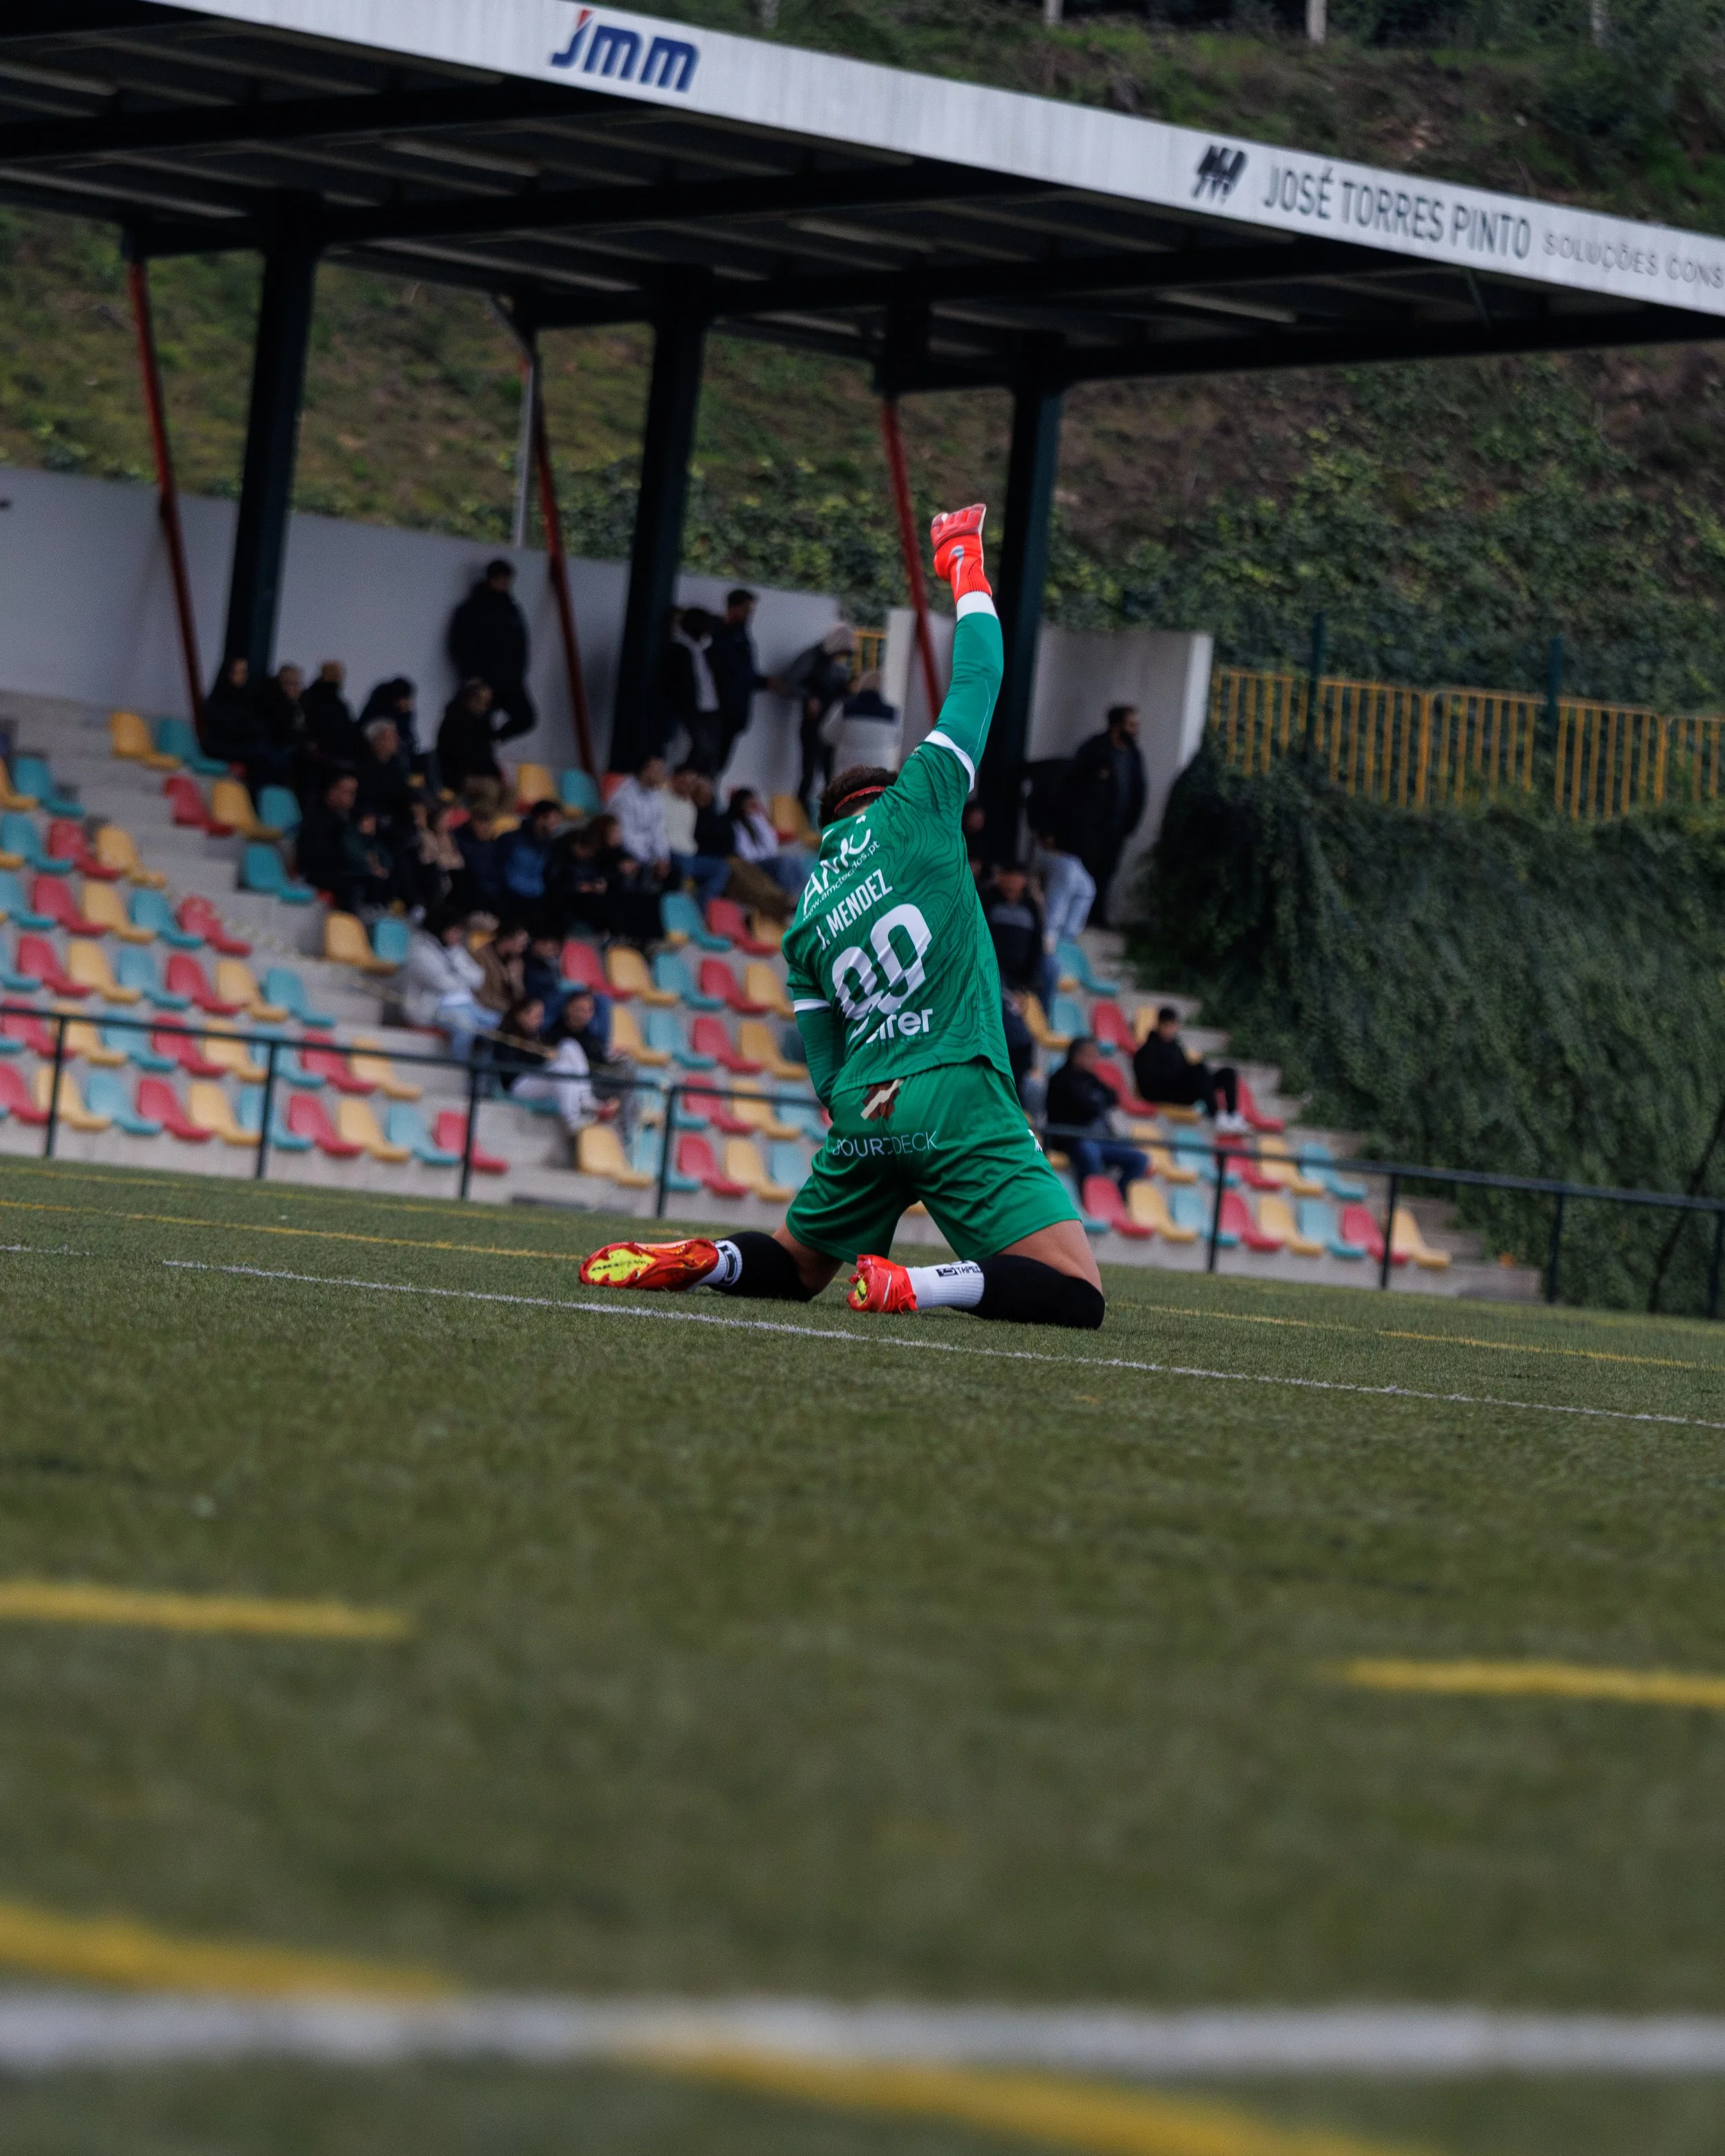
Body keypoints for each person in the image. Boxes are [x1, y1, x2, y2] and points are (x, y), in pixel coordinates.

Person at [580, 500, 1105, 1332]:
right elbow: (979, 678)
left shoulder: (805, 915)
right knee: (1075, 1291)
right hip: (953, 1084)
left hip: (865, 1107)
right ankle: (918, 1284)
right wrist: (964, 560)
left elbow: (824, 1067)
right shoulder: (921, 801)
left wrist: (868, 1126)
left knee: (795, 1267)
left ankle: (709, 1258)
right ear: (886, 790)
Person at [1065, 702, 1147, 927]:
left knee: (1106, 874)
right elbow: (1074, 782)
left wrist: (1131, 822)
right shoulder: (1095, 749)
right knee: (1085, 874)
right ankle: (1078, 920)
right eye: (1131, 724)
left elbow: (1138, 789)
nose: (1136, 730)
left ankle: (1098, 917)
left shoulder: (1133, 755)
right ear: (1117, 725)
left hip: (1117, 828)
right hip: (1091, 827)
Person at [1045, 1037, 1149, 1197]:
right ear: (1077, 1055)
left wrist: (1097, 1100)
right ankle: (1094, 1201)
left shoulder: (1091, 1078)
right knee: (1090, 1153)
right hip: (1072, 1139)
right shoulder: (1061, 1079)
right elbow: (1086, 1107)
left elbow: (1112, 1096)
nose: (1095, 1060)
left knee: (1139, 1158)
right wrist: (1097, 1101)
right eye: (1090, 1055)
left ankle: (1117, 1201)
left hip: (1100, 1138)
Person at [448, 559, 536, 740]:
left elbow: (521, 643)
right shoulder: (472, 609)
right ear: (492, 579)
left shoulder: (512, 610)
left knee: (526, 718)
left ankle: (492, 741)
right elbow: (459, 644)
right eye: (501, 580)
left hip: (510, 680)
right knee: (478, 722)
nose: (505, 585)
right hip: (483, 680)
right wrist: (471, 675)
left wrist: (519, 671)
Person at [1132, 1004, 1248, 1134]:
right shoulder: (1148, 1050)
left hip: (1181, 1089)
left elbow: (1183, 1069)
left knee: (1227, 1073)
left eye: (1174, 1025)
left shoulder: (1176, 1047)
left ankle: (1232, 1116)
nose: (1173, 1029)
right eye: (1169, 1025)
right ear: (1161, 1025)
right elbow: (1148, 1081)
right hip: (1163, 1092)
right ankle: (1216, 1116)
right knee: (1199, 1069)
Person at [295, 770, 391, 915]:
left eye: (353, 793)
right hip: (318, 872)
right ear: (332, 791)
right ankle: (350, 922)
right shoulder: (316, 817)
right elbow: (315, 856)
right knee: (354, 882)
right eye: (347, 792)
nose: (351, 797)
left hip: (343, 870)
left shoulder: (350, 820)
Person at [781, 622, 854, 812]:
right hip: (813, 724)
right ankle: (802, 812)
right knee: (809, 771)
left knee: (830, 772)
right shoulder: (811, 658)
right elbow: (789, 683)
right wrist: (808, 697)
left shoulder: (834, 664)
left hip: (832, 724)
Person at [404, 908, 490, 1053]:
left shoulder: (455, 950)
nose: (459, 935)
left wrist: (458, 975)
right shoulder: (420, 952)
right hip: (428, 1009)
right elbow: (442, 984)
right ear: (441, 929)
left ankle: (484, 1073)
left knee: (496, 1023)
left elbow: (479, 977)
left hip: (463, 1004)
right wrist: (464, 978)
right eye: (455, 930)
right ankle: (459, 1070)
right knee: (466, 1026)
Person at [982, 863, 1056, 1018]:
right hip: (993, 968)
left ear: (1023, 880)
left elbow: (1037, 944)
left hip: (1022, 973)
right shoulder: (987, 900)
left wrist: (1026, 984)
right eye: (1007, 875)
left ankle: (1041, 1018)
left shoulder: (1031, 907)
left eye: (1016, 877)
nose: (1011, 881)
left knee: (1051, 967)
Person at [707, 587, 767, 769]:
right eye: (747, 609)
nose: (750, 614)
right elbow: (729, 670)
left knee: (721, 760)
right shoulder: (720, 633)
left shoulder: (741, 635)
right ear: (734, 608)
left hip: (736, 711)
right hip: (721, 708)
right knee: (709, 757)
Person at [664, 767, 731, 911]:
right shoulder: (661, 799)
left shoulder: (690, 806)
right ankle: (678, 911)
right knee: (683, 865)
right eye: (684, 781)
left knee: (721, 868)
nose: (688, 785)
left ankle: (699, 911)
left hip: (689, 855)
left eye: (691, 783)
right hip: (670, 852)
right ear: (674, 779)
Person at [663, 607, 722, 773]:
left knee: (709, 752)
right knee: (699, 749)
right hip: (692, 709)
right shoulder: (680, 649)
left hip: (709, 707)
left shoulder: (702, 648)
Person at [729, 786, 812, 897]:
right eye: (751, 805)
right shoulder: (736, 825)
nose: (755, 808)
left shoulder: (757, 820)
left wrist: (758, 819)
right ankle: (789, 896)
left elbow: (771, 844)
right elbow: (746, 853)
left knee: (795, 861)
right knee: (785, 863)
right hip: (753, 864)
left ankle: (806, 894)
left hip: (766, 859)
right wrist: (765, 856)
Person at [437, 678, 508, 809]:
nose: (484, 707)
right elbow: (460, 756)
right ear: (469, 699)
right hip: (458, 776)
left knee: (509, 789)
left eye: (487, 703)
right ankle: (480, 822)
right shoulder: (453, 722)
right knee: (489, 788)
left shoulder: (482, 723)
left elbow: (486, 754)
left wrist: (497, 775)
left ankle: (500, 824)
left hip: (479, 774)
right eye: (481, 702)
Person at [609, 757, 671, 881]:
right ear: (645, 770)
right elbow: (625, 834)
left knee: (671, 872)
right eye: (658, 770)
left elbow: (658, 830)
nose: (662, 774)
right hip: (622, 849)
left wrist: (663, 857)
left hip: (645, 854)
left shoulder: (657, 797)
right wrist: (648, 860)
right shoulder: (625, 794)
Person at [499, 798, 562, 916]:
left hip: (537, 900)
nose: (557, 824)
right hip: (511, 900)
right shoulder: (511, 840)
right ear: (539, 818)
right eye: (554, 819)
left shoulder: (551, 845)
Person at [832, 670, 902, 775]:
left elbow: (827, 734)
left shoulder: (845, 708)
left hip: (847, 766)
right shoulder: (893, 713)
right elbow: (896, 739)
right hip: (880, 766)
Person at [302, 661, 359, 772]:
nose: (339, 677)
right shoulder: (311, 699)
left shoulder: (339, 704)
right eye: (335, 673)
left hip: (337, 754)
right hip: (322, 756)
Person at [475, 920, 530, 1017]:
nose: (523, 949)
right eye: (521, 944)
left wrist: (515, 982)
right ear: (507, 941)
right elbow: (481, 993)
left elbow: (520, 996)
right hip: (485, 1009)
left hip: (508, 1012)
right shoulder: (481, 956)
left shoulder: (517, 962)